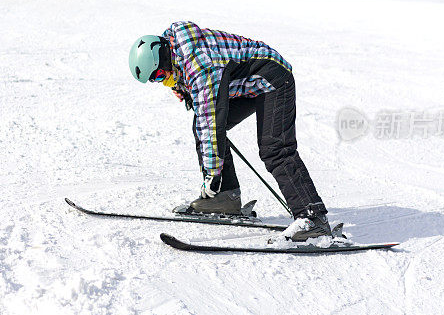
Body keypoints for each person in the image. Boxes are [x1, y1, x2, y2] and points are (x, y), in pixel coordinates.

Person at [128, 21, 331, 238]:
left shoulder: (199, 64)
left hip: (274, 79)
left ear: (163, 54)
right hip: (248, 84)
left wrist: (212, 174)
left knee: (275, 149)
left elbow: (210, 119)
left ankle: (312, 218)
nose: (164, 81)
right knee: (204, 126)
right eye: (157, 80)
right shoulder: (178, 53)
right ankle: (225, 197)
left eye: (160, 75)